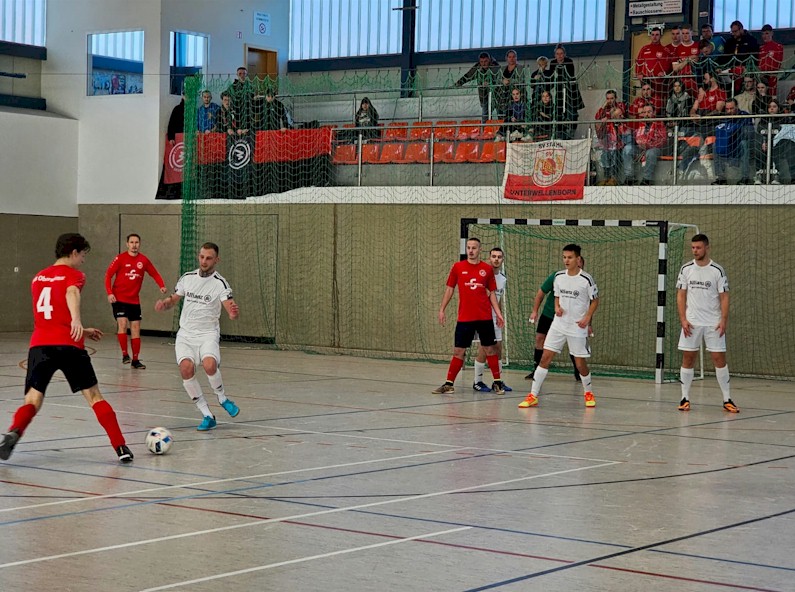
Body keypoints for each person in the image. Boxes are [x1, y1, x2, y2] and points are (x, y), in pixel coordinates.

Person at [0, 233, 133, 463]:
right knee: (94, 396)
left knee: (32, 400)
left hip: (40, 345)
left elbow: (51, 312)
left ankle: (14, 432)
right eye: (82, 255)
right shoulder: (75, 275)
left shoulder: (38, 277)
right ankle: (121, 447)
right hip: (69, 344)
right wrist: (76, 321)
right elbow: (70, 292)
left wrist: (83, 328)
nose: (83, 260)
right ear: (73, 253)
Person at [155, 242, 241, 431]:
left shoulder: (220, 283)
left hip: (207, 334)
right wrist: (165, 304)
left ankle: (222, 398)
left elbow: (230, 309)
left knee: (210, 364)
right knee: (186, 369)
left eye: (209, 258)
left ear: (216, 260)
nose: (204, 261)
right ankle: (207, 415)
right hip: (186, 334)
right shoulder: (187, 278)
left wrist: (233, 313)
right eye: (202, 257)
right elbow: (173, 299)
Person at [518, 244, 598, 409]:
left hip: (577, 327)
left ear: (578, 259)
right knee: (545, 358)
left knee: (580, 363)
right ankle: (533, 395)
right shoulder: (559, 276)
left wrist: (587, 317)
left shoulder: (586, 279)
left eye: (569, 257)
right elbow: (556, 295)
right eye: (564, 257)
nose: (566, 260)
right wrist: (557, 308)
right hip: (559, 325)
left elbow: (595, 300)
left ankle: (588, 392)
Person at [432, 238, 505, 395]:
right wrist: (442, 309)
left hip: (484, 317)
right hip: (465, 318)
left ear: (480, 250)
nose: (471, 250)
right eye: (469, 247)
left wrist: (498, 314)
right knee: (458, 351)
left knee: (490, 349)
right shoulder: (458, 267)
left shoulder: (487, 269)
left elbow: (492, 293)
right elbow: (450, 289)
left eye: (474, 248)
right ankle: (448, 384)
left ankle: (497, 383)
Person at [676, 234, 738, 413]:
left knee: (719, 359)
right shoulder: (686, 269)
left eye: (698, 248)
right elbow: (681, 294)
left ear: (707, 248)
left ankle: (727, 399)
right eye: (693, 248)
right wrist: (683, 319)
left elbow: (724, 296)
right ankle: (684, 398)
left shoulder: (717, 270)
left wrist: (723, 320)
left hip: (713, 323)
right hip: (692, 323)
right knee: (688, 358)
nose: (695, 251)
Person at [105, 233, 167, 369]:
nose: (134, 245)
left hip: (134, 300)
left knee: (136, 328)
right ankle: (125, 354)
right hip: (119, 298)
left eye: (137, 242)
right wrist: (110, 293)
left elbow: (154, 273)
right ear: (127, 244)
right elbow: (108, 275)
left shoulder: (143, 260)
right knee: (122, 323)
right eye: (132, 242)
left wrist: (161, 285)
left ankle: (135, 360)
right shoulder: (120, 259)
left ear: (140, 244)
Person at [524, 256, 589, 382]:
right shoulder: (557, 276)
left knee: (574, 344)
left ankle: (579, 372)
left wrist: (588, 322)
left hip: (571, 319)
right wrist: (535, 311)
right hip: (549, 314)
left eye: (580, 265)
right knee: (540, 339)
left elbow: (589, 303)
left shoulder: (584, 281)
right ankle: (536, 369)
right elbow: (541, 293)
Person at [472, 247, 512, 393]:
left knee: (498, 349)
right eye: (493, 256)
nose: (496, 259)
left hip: (495, 318)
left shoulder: (503, 278)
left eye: (499, 257)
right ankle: (477, 381)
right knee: (484, 349)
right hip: (482, 317)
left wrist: (499, 315)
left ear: (502, 260)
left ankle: (498, 381)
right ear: (489, 258)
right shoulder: (482, 275)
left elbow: (498, 299)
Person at [544, 45, 584, 139]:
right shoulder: (553, 63)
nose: (559, 56)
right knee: (558, 112)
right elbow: (551, 76)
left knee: (572, 113)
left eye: (561, 54)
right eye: (557, 54)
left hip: (570, 90)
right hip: (559, 91)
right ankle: (560, 133)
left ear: (564, 54)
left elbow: (570, 75)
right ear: (555, 55)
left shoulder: (569, 61)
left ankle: (571, 132)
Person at [711, 98, 753, 185]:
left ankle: (745, 177)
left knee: (744, 144)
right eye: (727, 109)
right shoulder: (723, 117)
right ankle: (721, 178)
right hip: (726, 145)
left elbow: (749, 134)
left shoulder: (744, 116)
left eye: (731, 108)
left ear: (737, 107)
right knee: (715, 145)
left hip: (738, 145)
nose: (729, 111)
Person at [624, 104, 665, 185]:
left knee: (651, 153)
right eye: (644, 112)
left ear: (654, 113)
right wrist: (639, 143)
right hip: (640, 148)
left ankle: (647, 179)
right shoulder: (639, 123)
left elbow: (662, 140)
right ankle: (629, 177)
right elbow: (634, 135)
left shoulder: (659, 123)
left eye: (649, 112)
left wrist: (648, 145)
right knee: (627, 148)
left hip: (654, 148)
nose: (646, 114)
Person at [454, 52, 501, 123]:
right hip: (484, 96)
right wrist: (459, 83)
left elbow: (500, 79)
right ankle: (486, 131)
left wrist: (491, 83)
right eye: (481, 62)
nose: (484, 63)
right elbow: (468, 75)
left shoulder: (496, 67)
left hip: (497, 96)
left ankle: (502, 131)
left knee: (501, 114)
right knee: (485, 114)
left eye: (485, 61)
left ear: (489, 60)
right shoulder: (477, 67)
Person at [594, 89, 626, 185]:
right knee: (605, 155)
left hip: (619, 138)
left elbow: (617, 113)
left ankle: (613, 178)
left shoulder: (620, 105)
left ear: (616, 98)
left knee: (614, 154)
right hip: (607, 139)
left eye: (612, 98)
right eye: (608, 99)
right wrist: (603, 107)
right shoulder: (604, 108)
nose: (610, 101)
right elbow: (597, 118)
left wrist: (607, 119)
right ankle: (606, 177)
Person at [635, 28, 671, 109]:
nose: (654, 37)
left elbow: (669, 65)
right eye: (653, 35)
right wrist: (639, 73)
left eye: (657, 35)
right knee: (646, 103)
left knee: (661, 105)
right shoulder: (644, 49)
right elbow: (638, 63)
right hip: (647, 82)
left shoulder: (665, 50)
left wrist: (664, 72)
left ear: (660, 36)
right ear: (650, 36)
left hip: (660, 84)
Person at [670, 24, 700, 94]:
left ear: (691, 33)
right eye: (683, 33)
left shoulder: (698, 45)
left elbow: (700, 62)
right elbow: (675, 68)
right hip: (682, 82)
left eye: (687, 33)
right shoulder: (678, 49)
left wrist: (682, 64)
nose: (685, 35)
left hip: (696, 80)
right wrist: (688, 59)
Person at [496, 49, 525, 117]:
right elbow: (497, 80)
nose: (512, 58)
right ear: (506, 58)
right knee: (502, 113)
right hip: (503, 95)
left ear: (516, 57)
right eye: (510, 57)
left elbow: (521, 80)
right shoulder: (502, 68)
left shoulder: (521, 67)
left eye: (513, 57)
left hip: (515, 95)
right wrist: (503, 81)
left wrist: (509, 81)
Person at [758, 25, 784, 97]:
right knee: (762, 97)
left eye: (766, 33)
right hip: (762, 77)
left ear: (772, 33)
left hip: (772, 76)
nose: (764, 36)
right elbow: (759, 63)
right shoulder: (761, 48)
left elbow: (778, 62)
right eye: (763, 34)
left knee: (772, 97)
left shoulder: (778, 47)